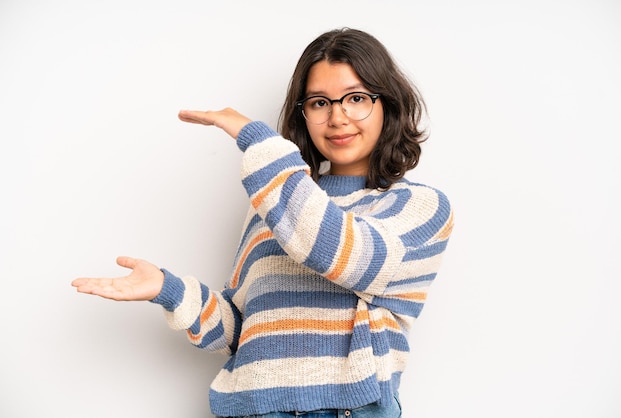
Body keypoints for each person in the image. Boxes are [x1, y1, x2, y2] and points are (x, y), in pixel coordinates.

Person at [71, 27, 454, 418]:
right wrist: (168, 289)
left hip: (342, 409)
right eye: (320, 102)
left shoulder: (418, 207)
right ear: (303, 113)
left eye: (356, 98)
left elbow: (343, 252)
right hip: (247, 408)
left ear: (387, 103)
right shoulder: (273, 205)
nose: (337, 117)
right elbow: (242, 330)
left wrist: (256, 139)